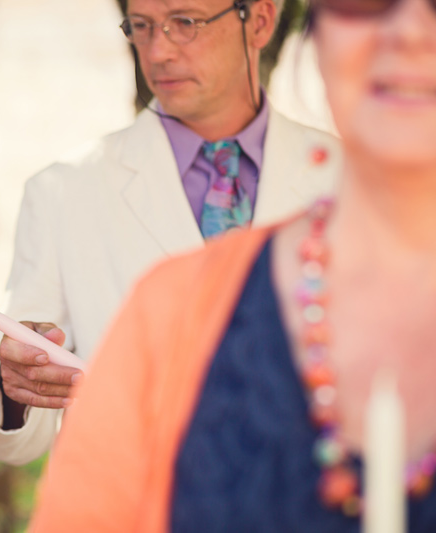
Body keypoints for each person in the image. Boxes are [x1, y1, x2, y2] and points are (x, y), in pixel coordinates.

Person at [30, 0, 436, 530]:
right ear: (320, 28)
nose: (409, 30)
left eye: (187, 23)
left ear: (262, 22)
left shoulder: (313, 157)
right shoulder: (167, 309)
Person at [0, 0, 343, 465]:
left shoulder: (355, 178)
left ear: (258, 21)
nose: (158, 51)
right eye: (142, 26)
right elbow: (7, 421)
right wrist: (14, 382)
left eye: (185, 22)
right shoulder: (64, 190)